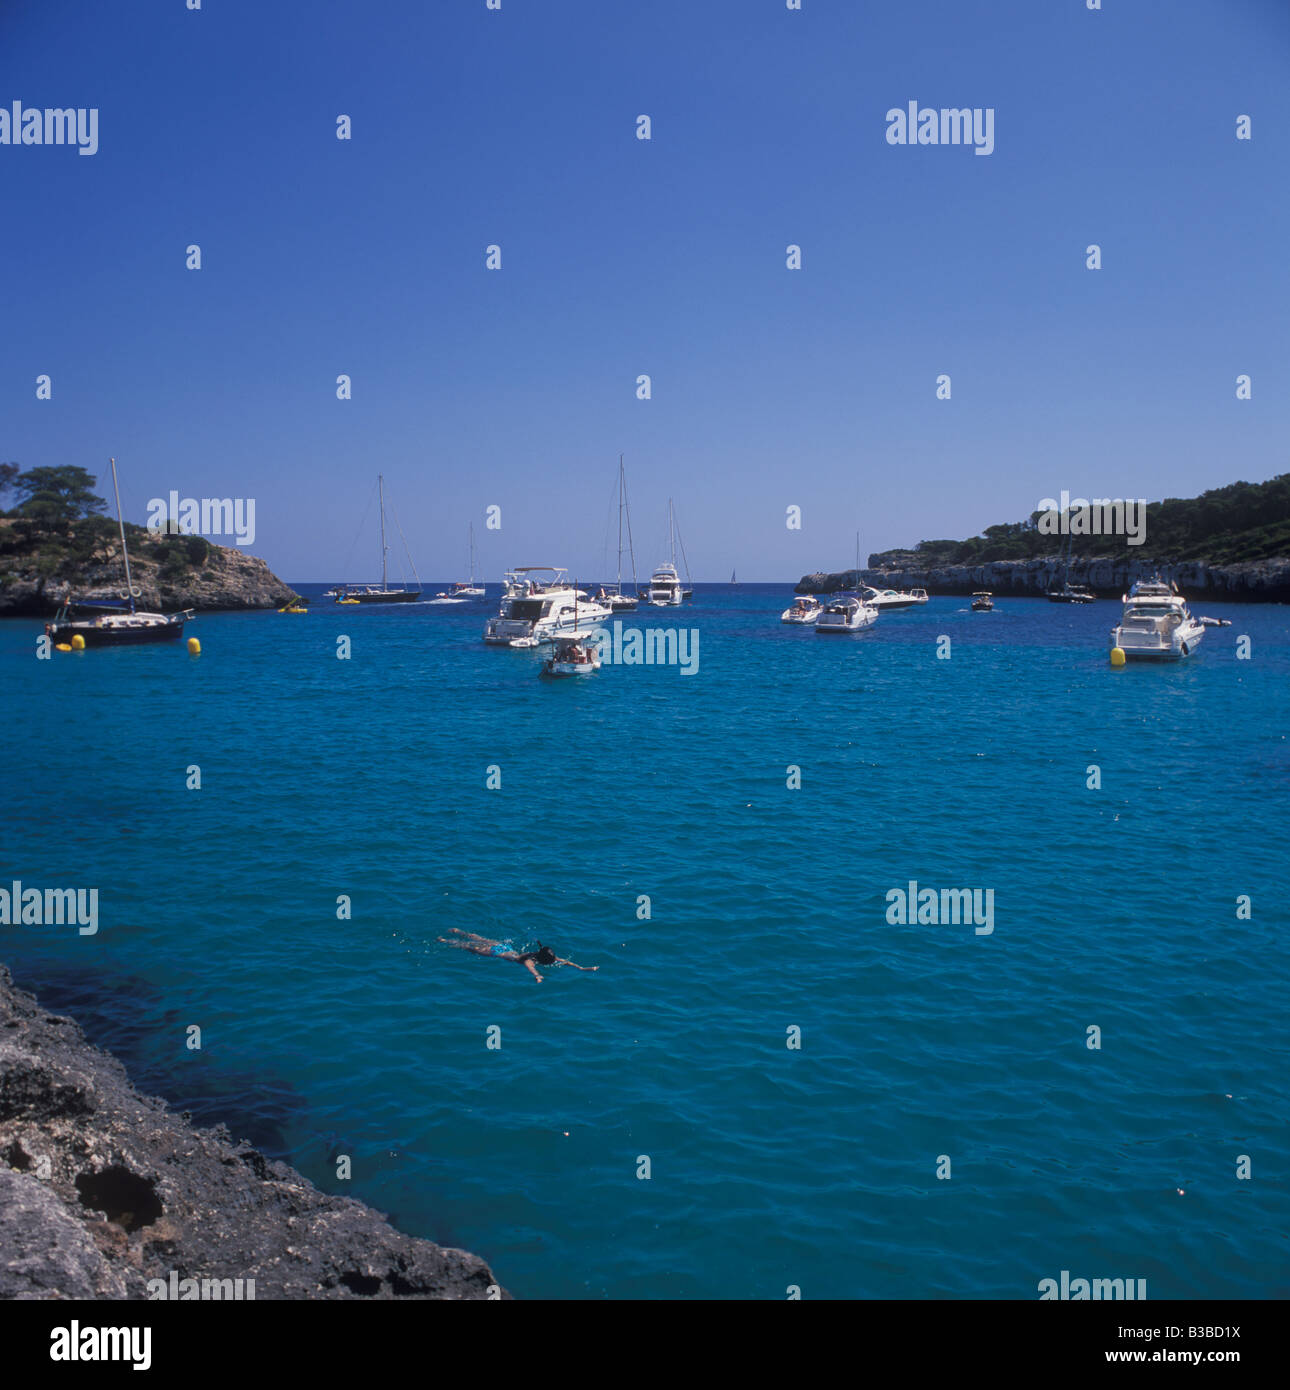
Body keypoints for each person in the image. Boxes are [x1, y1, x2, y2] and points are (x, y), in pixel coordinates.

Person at [438, 928, 599, 983]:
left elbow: (564, 961)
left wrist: (582, 968)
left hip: (504, 946)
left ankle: (457, 931)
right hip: (497, 953)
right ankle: (444, 940)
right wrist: (538, 976)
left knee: (478, 938)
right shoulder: (530, 961)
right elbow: (531, 969)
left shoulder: (539, 955)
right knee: (469, 948)